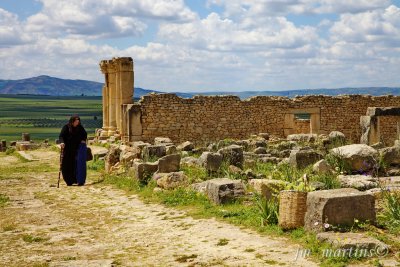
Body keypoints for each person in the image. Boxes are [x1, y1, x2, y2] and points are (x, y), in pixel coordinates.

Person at [59, 115, 87, 186]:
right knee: (67, 165)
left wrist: (83, 140)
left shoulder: (80, 127)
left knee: (76, 165)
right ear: (72, 121)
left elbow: (84, 134)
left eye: (78, 121)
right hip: (67, 149)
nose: (77, 123)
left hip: (77, 149)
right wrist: (62, 142)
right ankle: (69, 181)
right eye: (75, 121)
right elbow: (61, 136)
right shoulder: (66, 127)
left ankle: (77, 180)